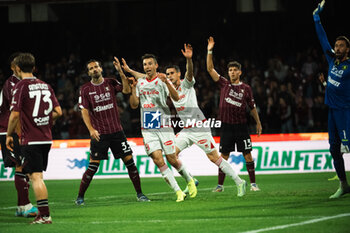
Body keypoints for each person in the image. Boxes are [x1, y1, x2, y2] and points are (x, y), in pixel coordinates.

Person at [166, 44, 247, 197]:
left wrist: (189, 60)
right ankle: (191, 179)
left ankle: (239, 181)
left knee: (214, 157)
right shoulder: (170, 90)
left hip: (199, 127)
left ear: (178, 74)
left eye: (171, 73)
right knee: (171, 154)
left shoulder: (186, 84)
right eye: (167, 74)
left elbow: (189, 72)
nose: (169, 76)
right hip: (186, 129)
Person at [75, 58, 149, 205]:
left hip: (117, 132)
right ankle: (80, 197)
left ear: (101, 68)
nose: (94, 69)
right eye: (91, 68)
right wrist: (91, 129)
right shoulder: (85, 89)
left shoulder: (111, 82)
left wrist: (120, 71)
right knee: (93, 167)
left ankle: (140, 194)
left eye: (96, 66)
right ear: (88, 72)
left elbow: (127, 90)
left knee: (130, 163)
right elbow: (84, 111)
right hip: (99, 134)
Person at [126, 53, 197, 202]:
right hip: (148, 125)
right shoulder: (140, 83)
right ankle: (178, 191)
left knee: (172, 159)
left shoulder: (162, 80)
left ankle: (189, 179)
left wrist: (167, 84)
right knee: (158, 160)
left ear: (156, 65)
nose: (147, 67)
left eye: (150, 64)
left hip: (163, 124)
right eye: (145, 64)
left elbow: (176, 98)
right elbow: (133, 105)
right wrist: (133, 89)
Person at [6, 53, 62, 224]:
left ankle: (45, 216)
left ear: (18, 68)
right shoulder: (45, 85)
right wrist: (44, 124)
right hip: (46, 138)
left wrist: (9, 135)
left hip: (30, 140)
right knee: (39, 177)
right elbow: (58, 112)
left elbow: (15, 115)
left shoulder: (20, 86)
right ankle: (44, 215)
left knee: (35, 178)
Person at [206, 37, 262, 192]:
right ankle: (220, 186)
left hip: (241, 126)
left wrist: (258, 122)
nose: (232, 72)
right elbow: (210, 69)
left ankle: (253, 184)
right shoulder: (224, 84)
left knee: (248, 156)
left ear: (240, 72)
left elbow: (252, 107)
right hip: (227, 127)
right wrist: (209, 50)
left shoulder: (246, 88)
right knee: (223, 157)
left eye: (234, 70)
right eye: (230, 70)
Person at [313, 0, 350, 198]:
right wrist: (316, 18)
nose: (337, 47)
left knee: (349, 146)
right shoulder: (331, 60)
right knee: (334, 149)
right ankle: (343, 185)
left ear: (348, 49)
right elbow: (322, 39)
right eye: (336, 45)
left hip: (346, 111)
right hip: (332, 112)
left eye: (341, 45)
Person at [0, 53, 38, 218]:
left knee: (23, 167)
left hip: (18, 129)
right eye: (16, 65)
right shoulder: (12, 84)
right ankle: (26, 205)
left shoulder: (23, 82)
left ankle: (21, 206)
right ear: (13, 67)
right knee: (21, 167)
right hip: (12, 129)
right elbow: (14, 112)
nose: (18, 67)